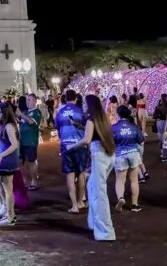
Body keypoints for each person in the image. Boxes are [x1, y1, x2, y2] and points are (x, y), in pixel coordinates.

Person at [67, 94, 116, 241]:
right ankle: (95, 224)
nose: (82, 106)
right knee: (92, 187)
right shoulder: (102, 118)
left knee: (99, 194)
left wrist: (71, 146)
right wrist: (79, 126)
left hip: (100, 156)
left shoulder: (91, 118)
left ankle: (105, 232)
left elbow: (87, 140)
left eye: (84, 104)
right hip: (108, 154)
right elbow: (93, 133)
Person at [56, 89, 88, 214]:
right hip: (79, 145)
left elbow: (58, 130)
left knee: (69, 174)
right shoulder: (80, 111)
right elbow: (86, 128)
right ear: (76, 98)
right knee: (81, 173)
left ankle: (74, 205)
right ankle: (80, 201)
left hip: (65, 144)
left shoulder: (60, 112)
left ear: (65, 98)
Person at [111, 105, 144, 212]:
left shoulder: (114, 127)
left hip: (120, 154)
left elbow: (110, 142)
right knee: (134, 180)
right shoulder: (134, 126)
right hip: (133, 153)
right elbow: (141, 141)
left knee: (120, 180)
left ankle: (121, 198)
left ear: (118, 114)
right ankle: (135, 205)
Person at [0, 102, 20, 226]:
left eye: (0, 112)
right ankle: (7, 211)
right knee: (0, 182)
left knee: (8, 189)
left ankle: (10, 216)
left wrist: (1, 155)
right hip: (5, 159)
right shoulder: (6, 125)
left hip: (7, 160)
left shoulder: (9, 126)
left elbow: (15, 144)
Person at [18, 94, 42, 190]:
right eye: (27, 100)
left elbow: (31, 122)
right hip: (22, 141)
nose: (27, 101)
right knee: (20, 162)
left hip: (31, 141)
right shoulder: (25, 112)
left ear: (35, 101)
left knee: (31, 161)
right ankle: (24, 180)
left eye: (30, 100)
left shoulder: (37, 112)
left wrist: (21, 114)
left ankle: (34, 182)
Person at [154, 94, 167, 161]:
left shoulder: (158, 106)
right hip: (165, 122)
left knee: (161, 138)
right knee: (165, 138)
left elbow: (154, 115)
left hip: (159, 122)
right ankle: (165, 155)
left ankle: (162, 153)